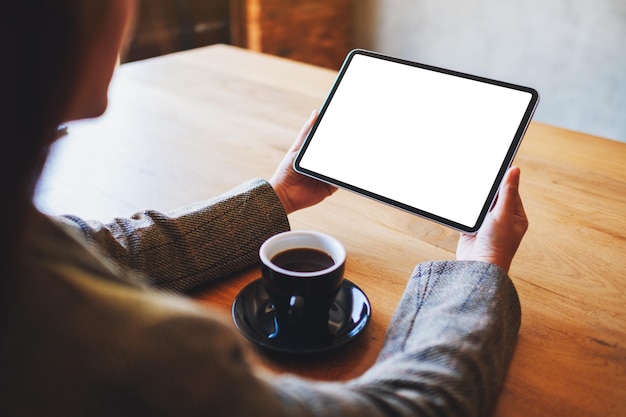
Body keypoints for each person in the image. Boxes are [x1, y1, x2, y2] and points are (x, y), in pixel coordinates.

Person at [0, 1, 528, 416]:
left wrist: (279, 196)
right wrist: (477, 274)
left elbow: (105, 249)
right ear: (59, 29)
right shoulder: (143, 350)